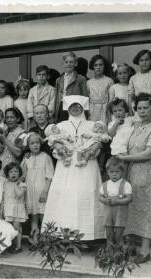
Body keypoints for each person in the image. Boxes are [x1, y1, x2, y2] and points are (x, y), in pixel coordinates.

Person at [41, 96, 104, 241]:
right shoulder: (61, 125)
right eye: (72, 106)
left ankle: (87, 236)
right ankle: (63, 234)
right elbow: (53, 142)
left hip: (86, 164)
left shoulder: (91, 124)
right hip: (66, 165)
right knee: (65, 196)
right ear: (67, 107)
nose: (75, 108)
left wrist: (93, 147)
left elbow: (99, 140)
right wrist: (58, 146)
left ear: (83, 107)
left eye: (78, 106)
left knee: (85, 195)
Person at [117, 94, 151, 264]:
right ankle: (129, 247)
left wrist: (124, 158)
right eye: (139, 108)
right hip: (129, 171)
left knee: (145, 208)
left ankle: (145, 251)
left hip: (145, 172)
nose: (142, 111)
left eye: (146, 107)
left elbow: (149, 153)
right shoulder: (135, 125)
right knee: (128, 207)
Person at [21, 133, 54, 248]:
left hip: (42, 190)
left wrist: (45, 192)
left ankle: (46, 241)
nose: (35, 145)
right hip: (30, 191)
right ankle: (35, 240)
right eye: (32, 143)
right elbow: (23, 175)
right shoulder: (27, 158)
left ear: (41, 144)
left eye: (37, 143)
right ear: (28, 145)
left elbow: (49, 177)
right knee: (34, 216)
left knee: (43, 216)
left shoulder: (46, 157)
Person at [98, 157, 132, 247]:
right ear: (107, 172)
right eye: (111, 172)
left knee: (118, 235)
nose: (114, 174)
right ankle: (109, 254)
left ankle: (120, 253)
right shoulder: (105, 185)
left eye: (117, 172)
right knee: (109, 235)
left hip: (120, 213)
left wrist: (118, 201)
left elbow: (129, 198)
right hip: (108, 213)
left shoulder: (126, 184)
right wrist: (105, 200)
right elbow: (100, 197)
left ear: (122, 172)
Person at [128, 49, 151, 119]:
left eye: (147, 60)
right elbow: (130, 96)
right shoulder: (133, 78)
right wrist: (130, 112)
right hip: (138, 109)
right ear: (138, 62)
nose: (144, 62)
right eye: (141, 60)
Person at [54, 52, 88, 123]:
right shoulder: (59, 80)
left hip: (74, 107)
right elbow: (56, 97)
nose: (68, 64)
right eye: (66, 62)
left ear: (75, 64)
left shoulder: (80, 79)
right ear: (63, 64)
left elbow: (84, 97)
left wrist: (84, 113)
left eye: (71, 62)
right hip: (61, 107)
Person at [3, 162, 27, 254]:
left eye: (16, 171)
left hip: (17, 209)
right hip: (8, 209)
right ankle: (11, 245)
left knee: (16, 228)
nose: (13, 173)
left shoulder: (22, 185)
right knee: (9, 228)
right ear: (7, 174)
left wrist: (16, 184)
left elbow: (19, 194)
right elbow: (3, 196)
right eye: (11, 172)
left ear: (19, 173)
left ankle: (18, 246)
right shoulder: (5, 183)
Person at [0, 108, 25, 173]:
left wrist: (4, 139)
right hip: (1, 167)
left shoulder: (22, 133)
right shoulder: (5, 132)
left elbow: (18, 153)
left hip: (13, 170)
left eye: (12, 117)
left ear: (18, 119)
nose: (9, 120)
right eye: (7, 117)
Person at [87, 54, 114, 123]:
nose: (98, 67)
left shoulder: (109, 81)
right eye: (96, 65)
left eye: (100, 65)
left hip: (105, 109)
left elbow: (111, 99)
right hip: (92, 110)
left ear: (104, 66)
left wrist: (108, 111)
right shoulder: (88, 82)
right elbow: (87, 99)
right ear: (93, 67)